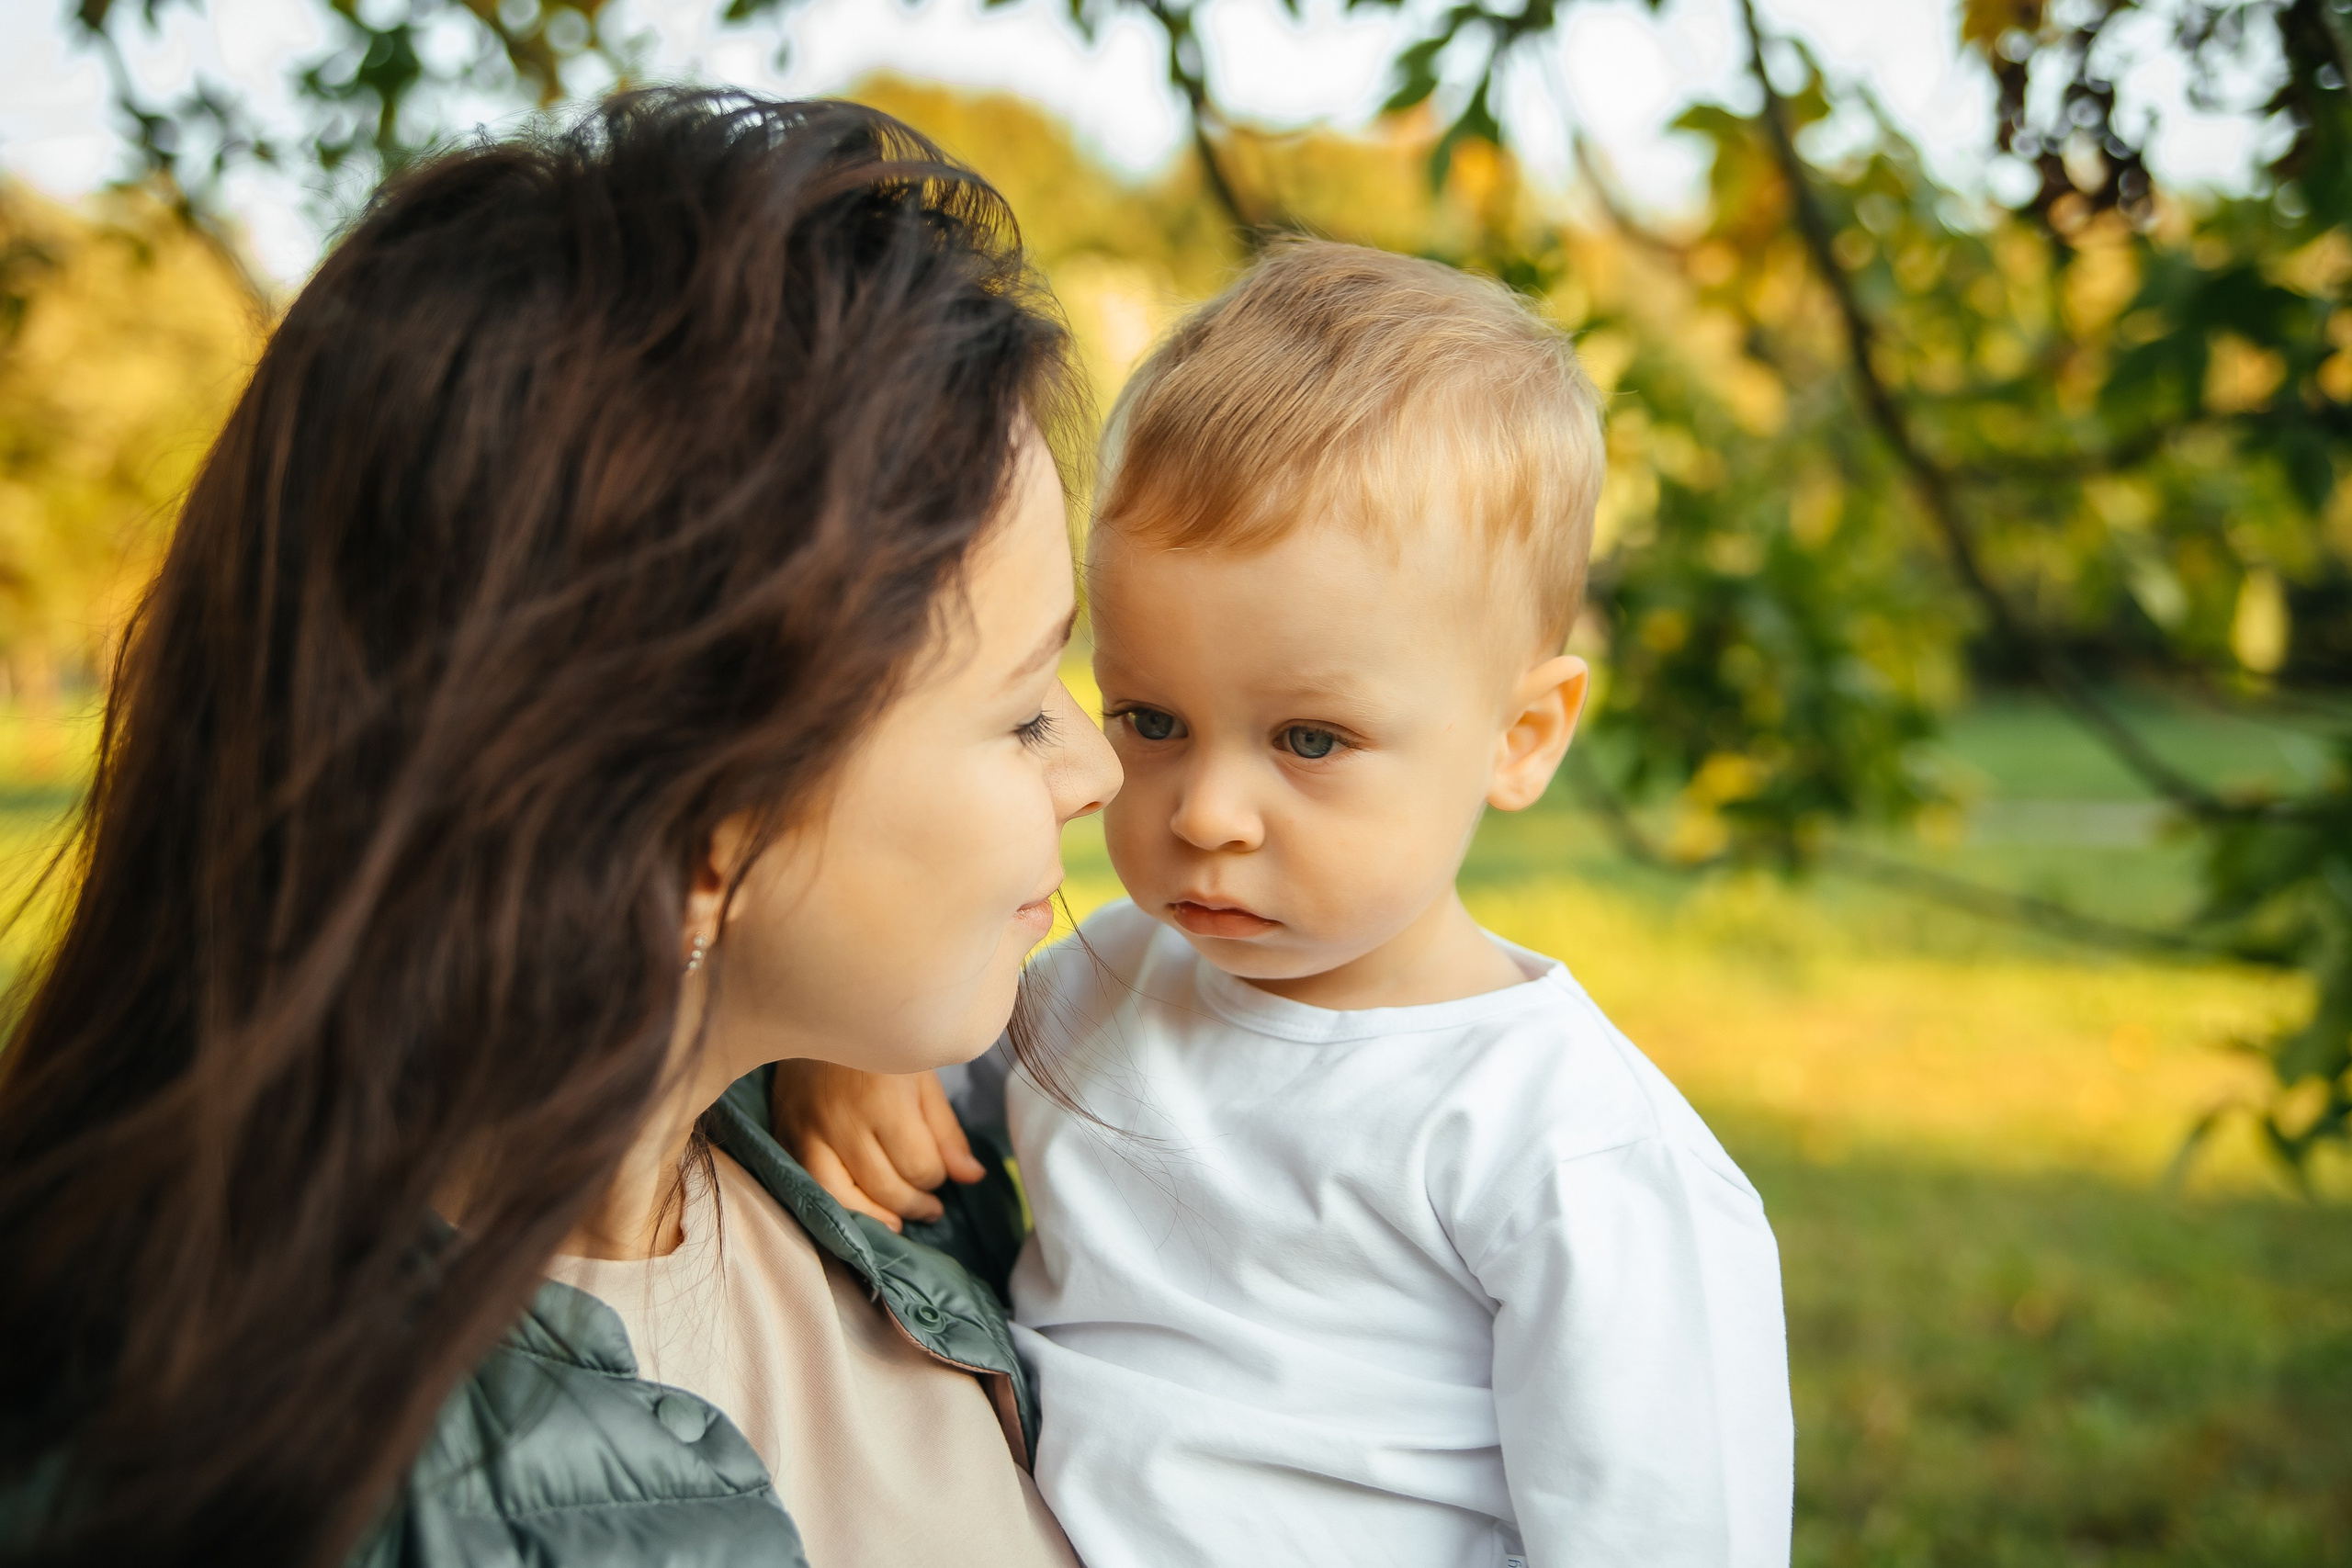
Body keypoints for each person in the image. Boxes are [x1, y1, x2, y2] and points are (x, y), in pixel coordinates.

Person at [0, 90, 1119, 1568]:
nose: (1097, 769)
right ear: (701, 817)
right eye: (1025, 704)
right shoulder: (284, 1490)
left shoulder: (871, 1177)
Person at [777, 240, 1797, 1567]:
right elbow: (898, 1050)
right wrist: (851, 1065)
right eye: (1149, 719)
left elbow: (1667, 1531)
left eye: (1309, 740)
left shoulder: (1565, 1150)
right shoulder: (1094, 984)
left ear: (1522, 735)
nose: (1204, 812)